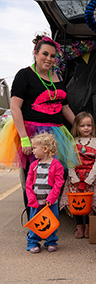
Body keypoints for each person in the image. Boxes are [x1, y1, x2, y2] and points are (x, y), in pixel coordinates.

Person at [0, 34, 79, 220]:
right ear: (35, 53)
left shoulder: (57, 76)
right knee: (34, 180)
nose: (49, 59)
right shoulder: (24, 75)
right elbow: (15, 107)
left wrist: (81, 126)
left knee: (57, 176)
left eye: (53, 56)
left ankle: (50, 220)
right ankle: (34, 223)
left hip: (57, 134)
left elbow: (64, 107)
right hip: (33, 134)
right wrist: (24, 138)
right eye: (45, 54)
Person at [60, 112, 96, 239]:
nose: (86, 128)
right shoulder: (73, 142)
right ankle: (79, 225)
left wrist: (91, 178)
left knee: (88, 202)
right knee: (76, 201)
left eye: (89, 125)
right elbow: (70, 160)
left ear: (93, 126)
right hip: (76, 177)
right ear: (77, 127)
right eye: (82, 125)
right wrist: (74, 177)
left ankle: (89, 224)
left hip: (90, 177)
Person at [26, 132, 65, 253]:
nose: (33, 151)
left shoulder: (57, 165)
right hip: (36, 202)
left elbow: (59, 183)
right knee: (35, 223)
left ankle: (51, 241)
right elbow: (28, 185)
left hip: (50, 203)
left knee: (51, 223)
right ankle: (32, 242)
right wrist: (32, 199)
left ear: (45, 149)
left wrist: (51, 199)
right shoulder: (33, 165)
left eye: (34, 148)